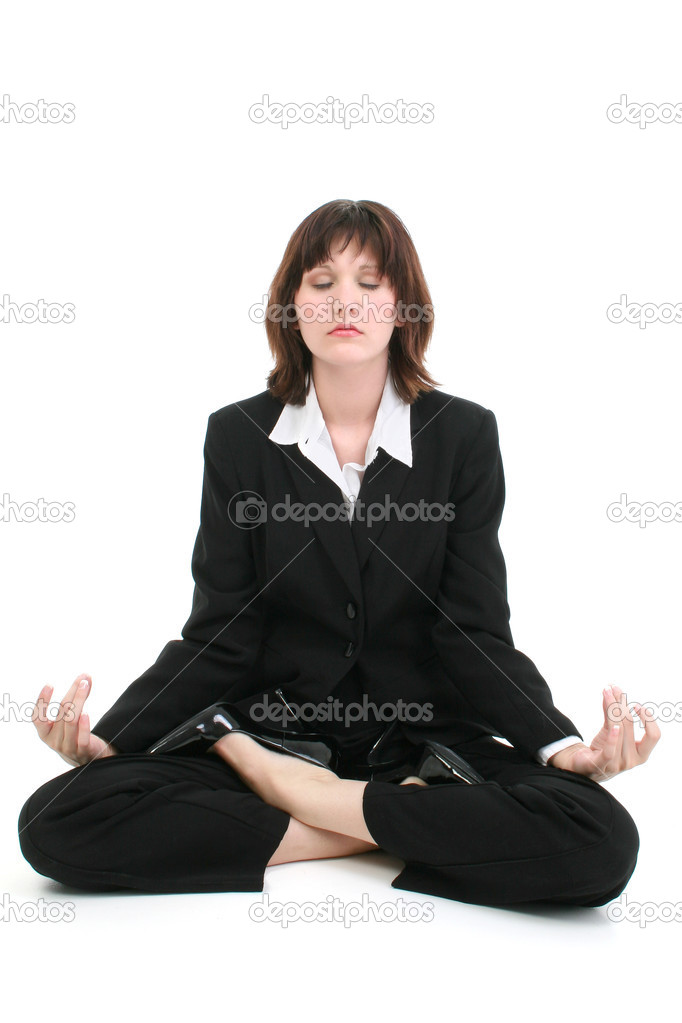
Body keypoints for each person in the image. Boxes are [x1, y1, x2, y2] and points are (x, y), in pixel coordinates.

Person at [18, 199, 659, 906]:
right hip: (274, 738)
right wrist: (113, 738)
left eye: (370, 281)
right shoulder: (238, 436)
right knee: (56, 819)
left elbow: (470, 631)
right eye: (321, 283)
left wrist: (562, 746)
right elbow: (225, 628)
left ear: (404, 304)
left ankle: (320, 813)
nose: (343, 301)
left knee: (599, 840)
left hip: (423, 748)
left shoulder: (463, 435)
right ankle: (377, 826)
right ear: (291, 305)